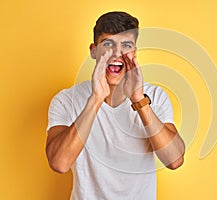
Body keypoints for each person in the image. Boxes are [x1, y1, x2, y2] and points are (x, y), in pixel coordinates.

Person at [46, 11, 185, 200]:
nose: (117, 53)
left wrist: (139, 101)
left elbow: (175, 160)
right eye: (108, 44)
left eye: (126, 45)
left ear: (134, 52)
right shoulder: (66, 100)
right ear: (94, 51)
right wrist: (95, 99)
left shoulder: (155, 97)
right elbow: (59, 163)